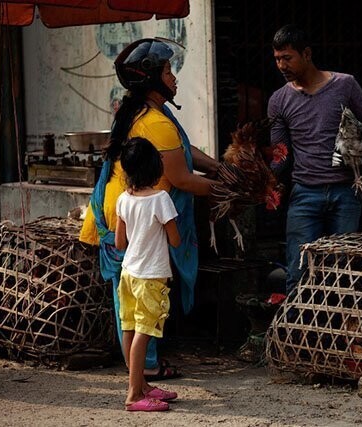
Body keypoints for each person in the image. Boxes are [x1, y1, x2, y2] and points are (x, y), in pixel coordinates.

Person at [79, 38, 219, 380]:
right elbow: (182, 177)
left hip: (122, 212)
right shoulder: (155, 121)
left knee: (130, 298)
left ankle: (141, 369)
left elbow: (182, 151)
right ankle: (147, 370)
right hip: (131, 216)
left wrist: (220, 168)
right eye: (169, 72)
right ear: (152, 80)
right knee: (143, 299)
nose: (174, 78)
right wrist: (231, 190)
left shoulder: (147, 111)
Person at [267, 25, 362, 294]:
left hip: (346, 192)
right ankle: (298, 331)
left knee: (342, 273)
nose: (281, 65)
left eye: (287, 57)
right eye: (277, 59)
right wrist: (263, 181)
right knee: (298, 272)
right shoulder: (278, 100)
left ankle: (338, 333)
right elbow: (280, 153)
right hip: (304, 194)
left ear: (306, 54)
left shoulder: (344, 85)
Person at [115, 137, 180, 412]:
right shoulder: (161, 199)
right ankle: (133, 395)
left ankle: (141, 386)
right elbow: (175, 240)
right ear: (154, 167)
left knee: (130, 328)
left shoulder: (122, 199)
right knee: (144, 332)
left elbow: (120, 243)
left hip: (128, 273)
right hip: (151, 276)